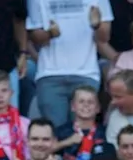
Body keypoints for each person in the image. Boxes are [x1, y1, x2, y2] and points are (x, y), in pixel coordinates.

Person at [27, 0, 111, 128]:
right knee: (54, 133)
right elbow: (34, 37)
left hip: (86, 73)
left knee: (84, 132)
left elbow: (104, 37)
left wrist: (97, 25)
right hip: (50, 74)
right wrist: (49, 34)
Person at [52, 85, 103, 160]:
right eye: (81, 101)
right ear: (73, 106)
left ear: (98, 108)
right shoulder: (61, 131)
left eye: (90, 102)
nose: (86, 105)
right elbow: (44, 150)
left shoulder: (104, 132)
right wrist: (67, 142)